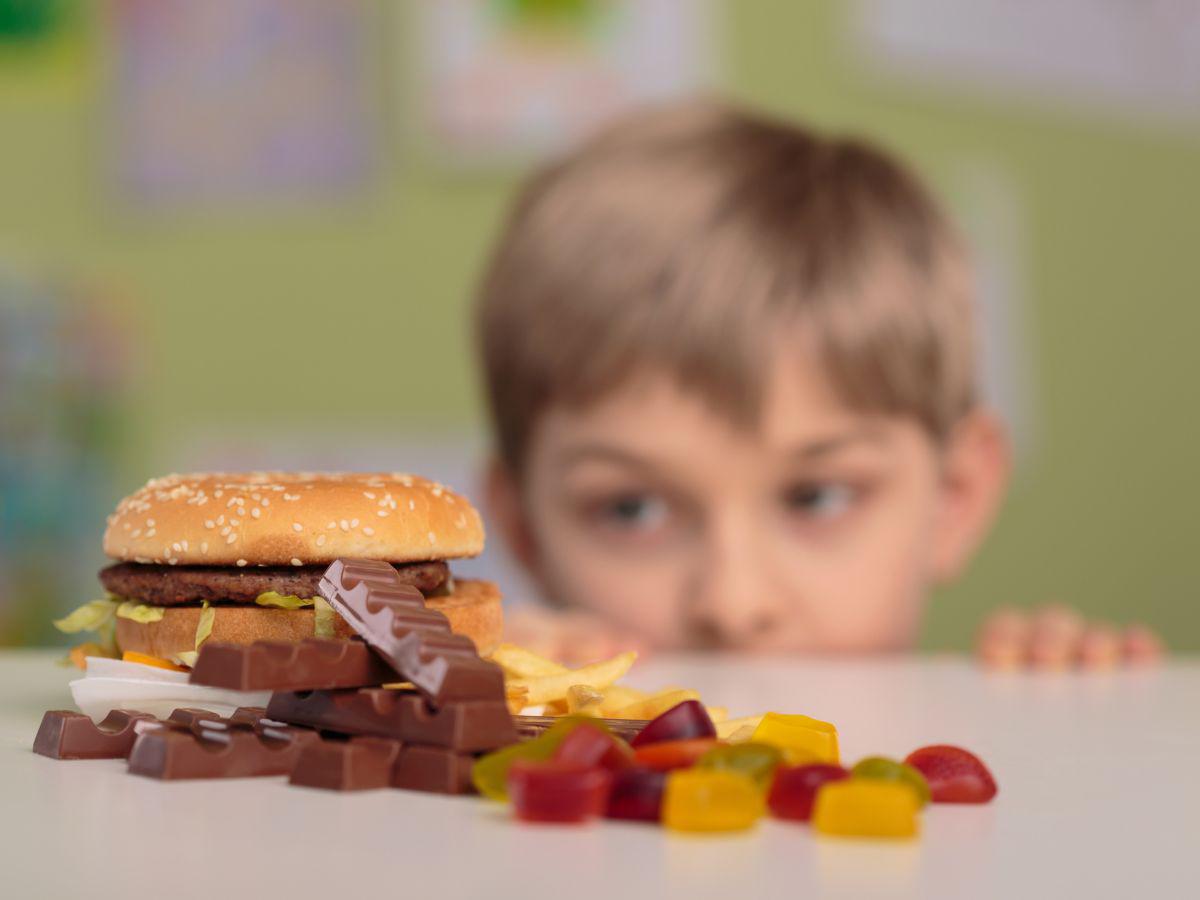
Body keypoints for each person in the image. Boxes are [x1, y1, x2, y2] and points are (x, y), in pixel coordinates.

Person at [473, 99, 1162, 667]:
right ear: (524, 530)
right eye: (632, 511)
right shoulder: (499, 765)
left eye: (818, 497)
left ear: (954, 498)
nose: (734, 605)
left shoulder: (1034, 711)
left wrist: (1086, 724)